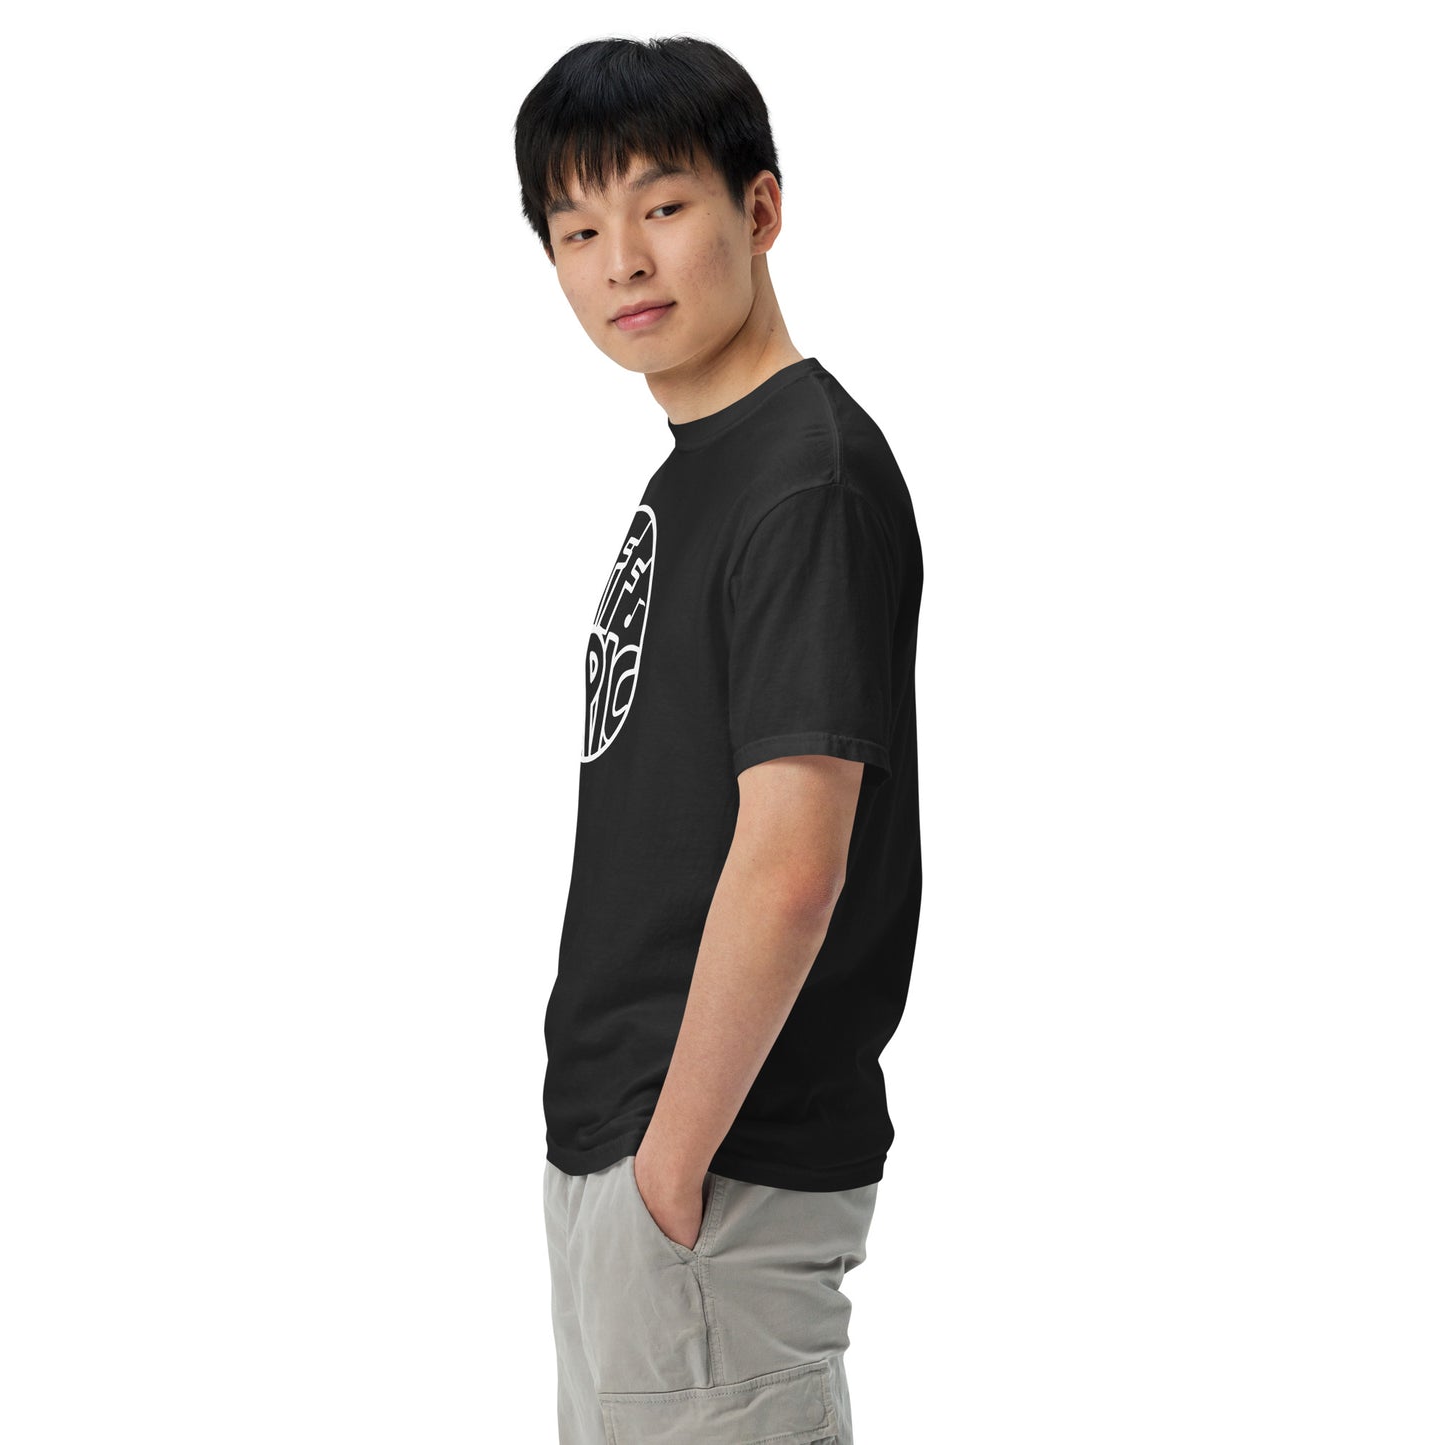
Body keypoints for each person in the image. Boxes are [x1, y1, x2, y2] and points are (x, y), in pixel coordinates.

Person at [515, 35, 924, 1445]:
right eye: (577, 229)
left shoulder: (805, 477)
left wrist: (669, 1168)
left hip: (712, 1177)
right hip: (638, 1168)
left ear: (759, 208)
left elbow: (793, 862)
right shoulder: (707, 469)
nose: (621, 259)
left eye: (662, 204)